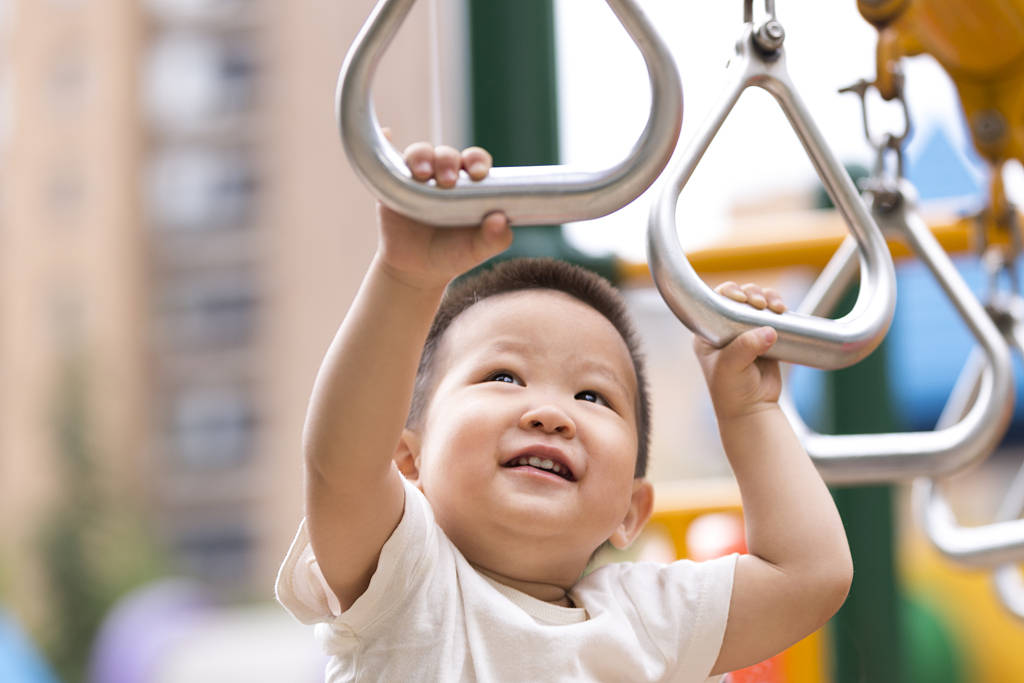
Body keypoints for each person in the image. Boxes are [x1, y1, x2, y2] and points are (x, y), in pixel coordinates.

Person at [276, 141, 853, 682]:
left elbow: (809, 576)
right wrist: (406, 279)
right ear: (407, 461)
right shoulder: (406, 583)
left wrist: (748, 413)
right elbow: (342, 467)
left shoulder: (647, 620)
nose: (551, 414)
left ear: (631, 510)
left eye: (592, 396)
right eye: (503, 376)